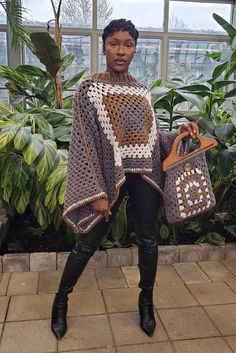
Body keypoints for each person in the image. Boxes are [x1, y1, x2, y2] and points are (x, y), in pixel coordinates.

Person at [51, 18, 198, 339]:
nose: (120, 50)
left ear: (135, 48)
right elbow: (85, 144)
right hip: (107, 178)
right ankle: (60, 301)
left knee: (148, 241)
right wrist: (96, 192)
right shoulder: (90, 90)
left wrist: (180, 133)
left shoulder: (142, 91)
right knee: (87, 243)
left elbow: (153, 138)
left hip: (143, 174)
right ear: (104, 46)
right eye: (114, 43)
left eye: (128, 44)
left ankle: (146, 301)